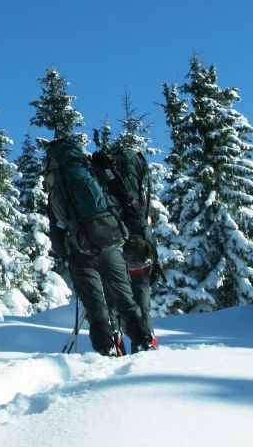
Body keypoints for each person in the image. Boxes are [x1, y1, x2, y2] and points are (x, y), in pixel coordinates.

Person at [44, 137, 153, 357]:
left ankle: (107, 349)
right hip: (110, 244)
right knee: (125, 300)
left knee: (96, 308)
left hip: (80, 251)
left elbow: (56, 227)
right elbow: (115, 198)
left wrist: (65, 254)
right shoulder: (89, 170)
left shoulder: (55, 182)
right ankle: (143, 341)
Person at [91, 146, 160, 351]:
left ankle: (114, 341)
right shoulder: (136, 180)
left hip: (111, 249)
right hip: (139, 249)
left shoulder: (101, 181)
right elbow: (144, 217)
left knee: (112, 298)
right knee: (140, 299)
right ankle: (146, 339)